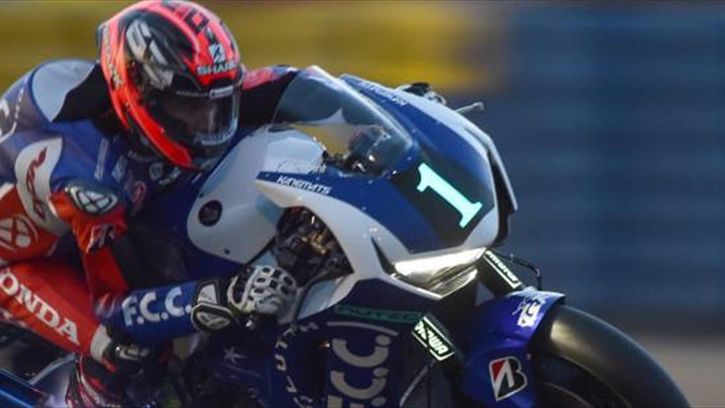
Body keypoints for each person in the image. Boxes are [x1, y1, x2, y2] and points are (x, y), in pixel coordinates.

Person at [0, 1, 302, 406]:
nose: (205, 124)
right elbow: (116, 308)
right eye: (188, 107)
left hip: (71, 232)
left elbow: (292, 85)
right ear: (138, 90)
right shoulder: (90, 182)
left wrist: (385, 116)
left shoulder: (165, 89)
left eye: (216, 105)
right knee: (130, 351)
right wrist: (224, 296)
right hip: (19, 265)